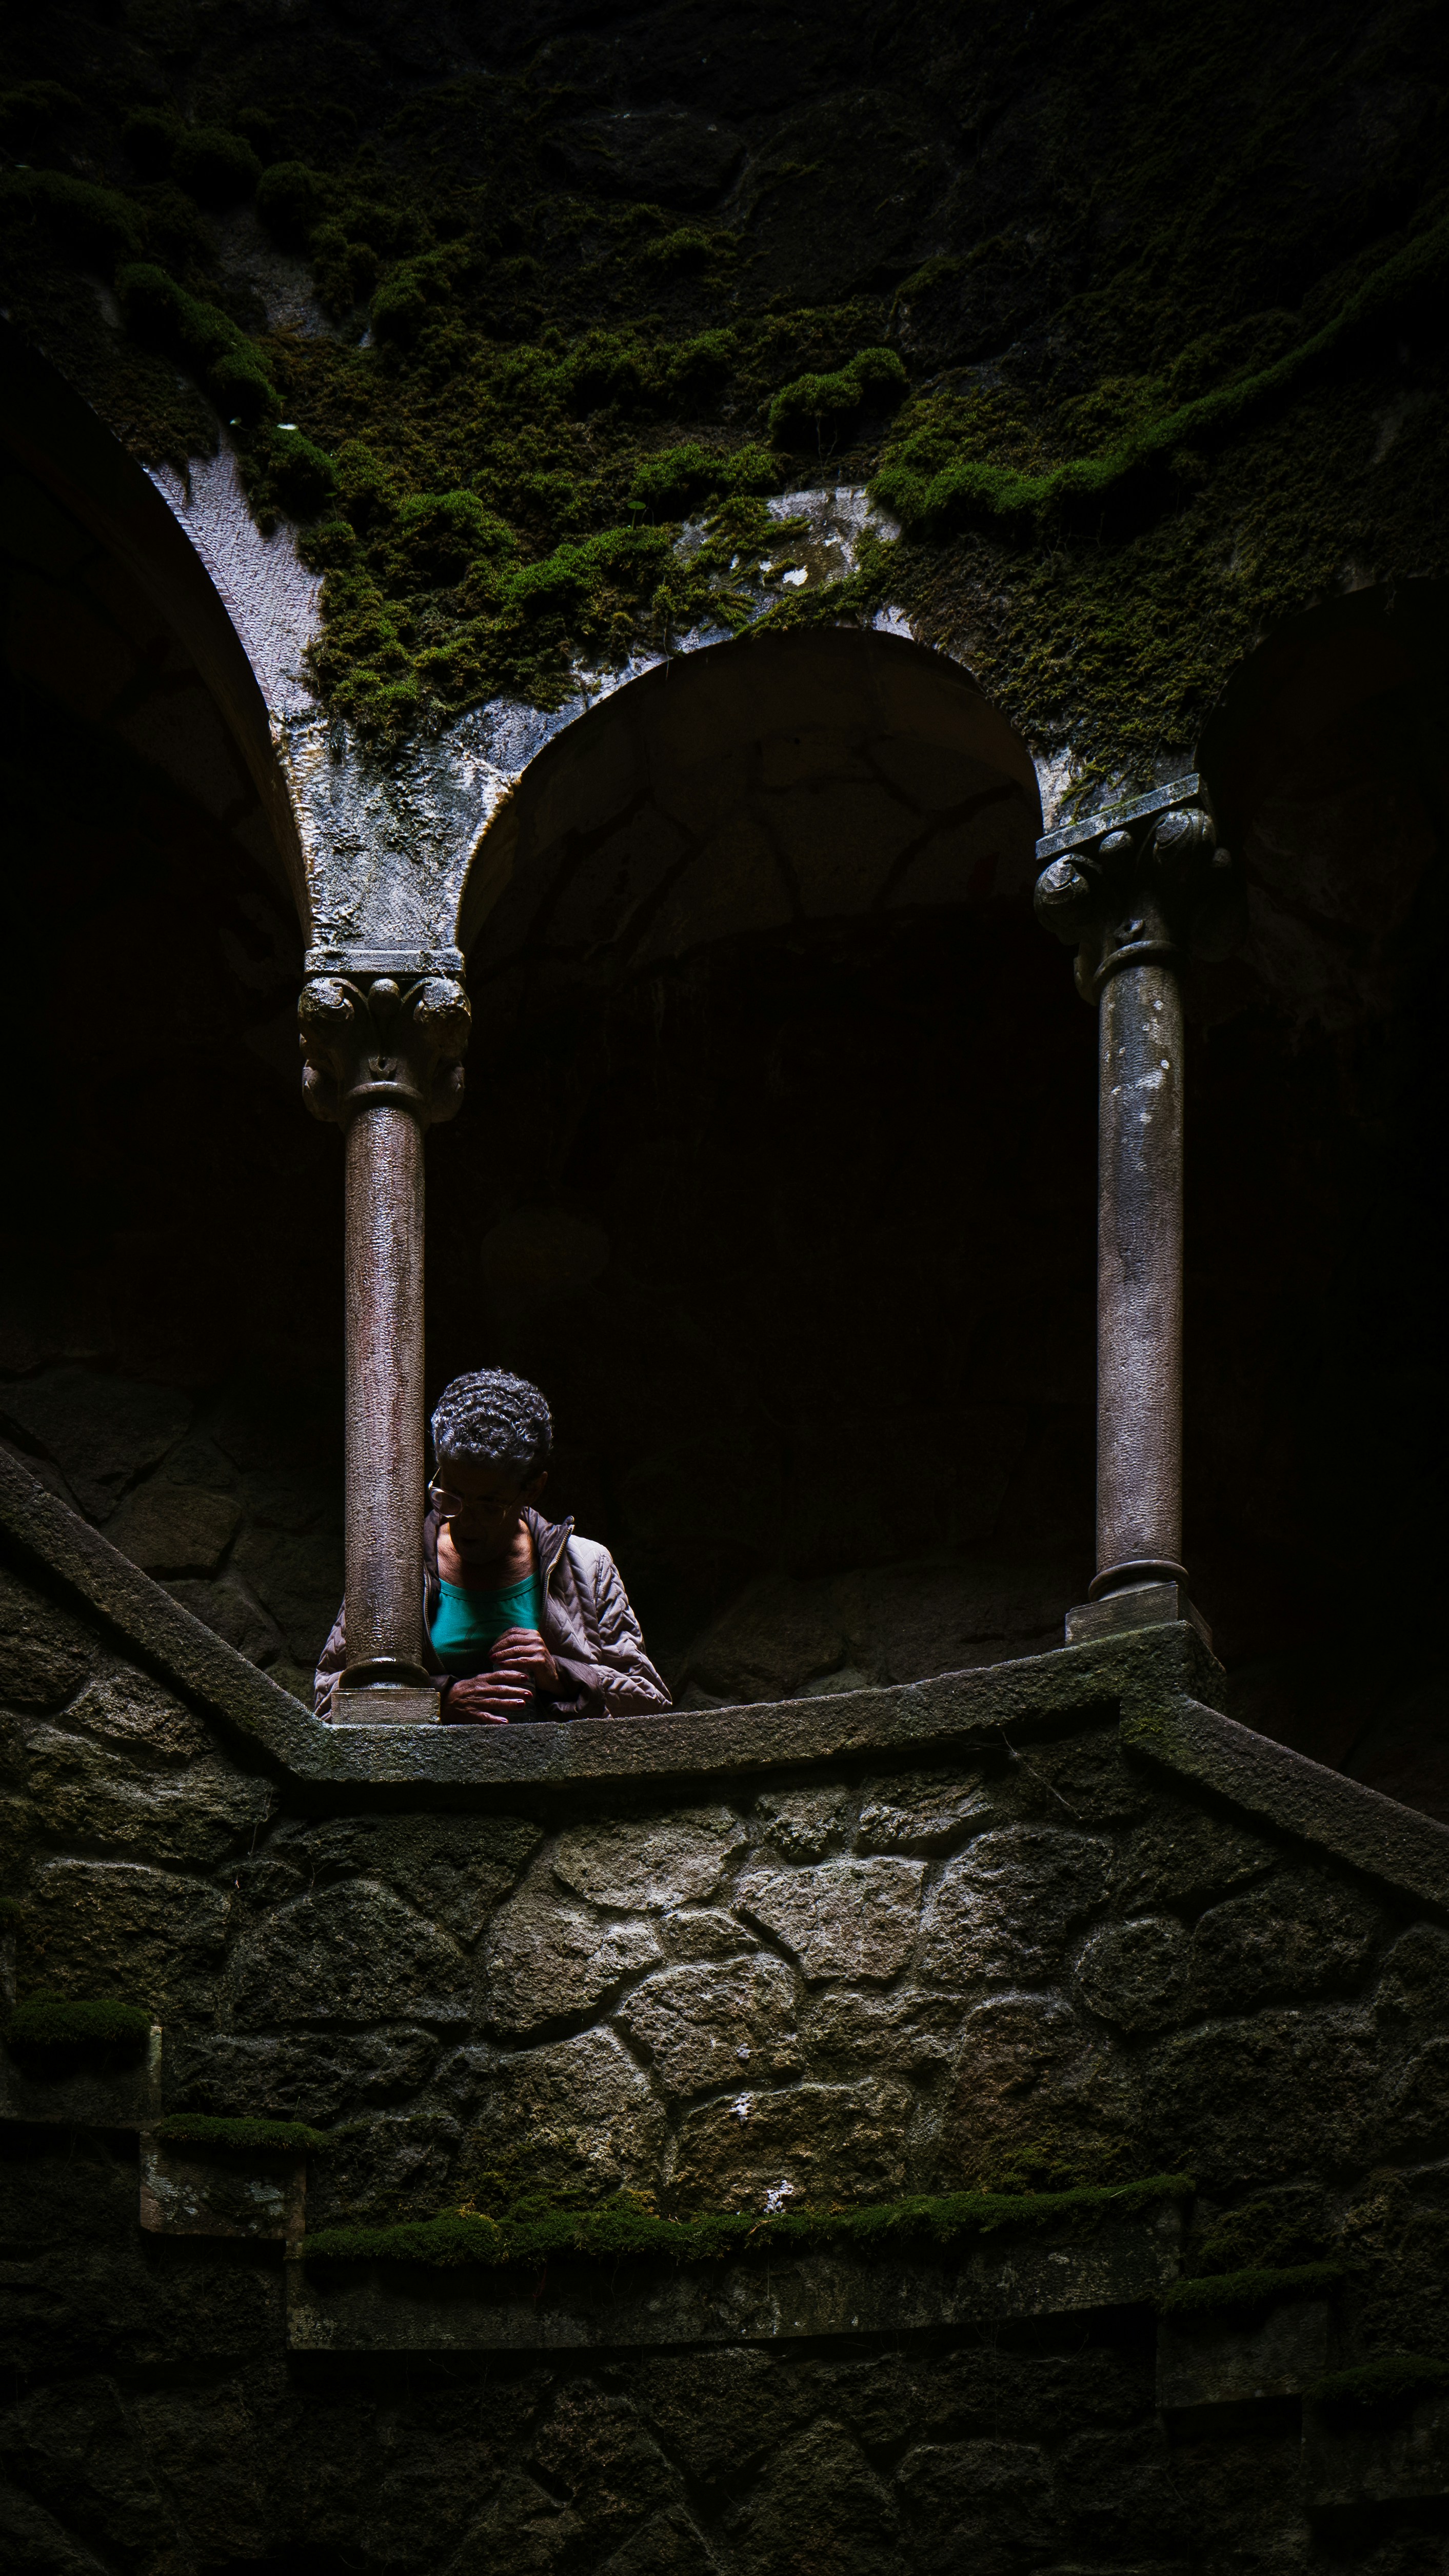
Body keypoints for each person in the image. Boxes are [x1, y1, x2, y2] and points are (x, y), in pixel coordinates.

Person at [314, 1368, 670, 1723]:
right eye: (451, 1495)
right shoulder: (392, 1564)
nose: (466, 1521)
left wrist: (560, 1675)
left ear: (533, 1489)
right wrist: (438, 1704)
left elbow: (650, 1704)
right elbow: (329, 1704)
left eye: (489, 1505)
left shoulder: (588, 1565)